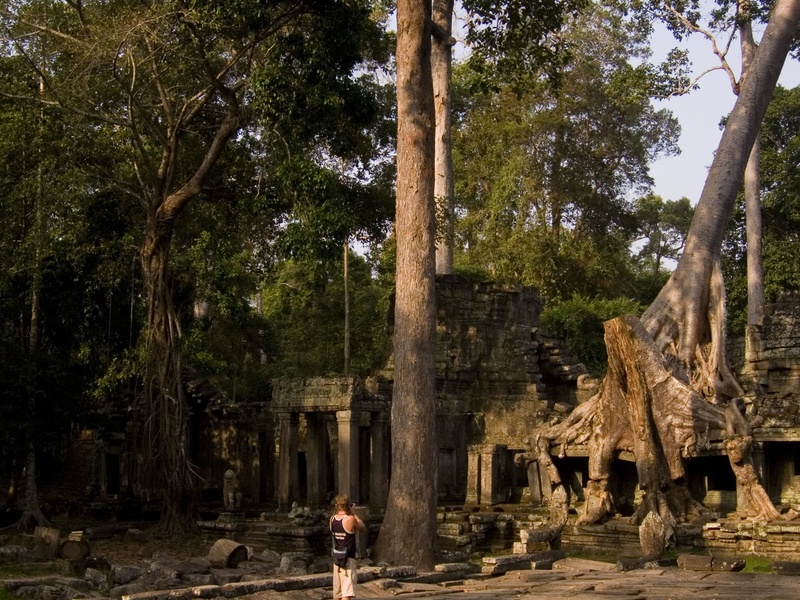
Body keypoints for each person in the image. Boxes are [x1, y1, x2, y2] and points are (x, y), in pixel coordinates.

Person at [330, 494, 366, 600]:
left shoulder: (332, 519)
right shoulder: (350, 519)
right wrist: (353, 513)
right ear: (348, 506)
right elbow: (363, 527)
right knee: (347, 592)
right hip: (348, 558)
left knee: (338, 592)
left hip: (336, 557)